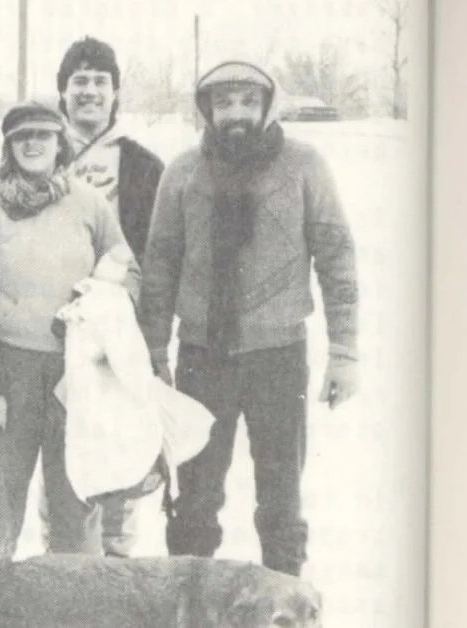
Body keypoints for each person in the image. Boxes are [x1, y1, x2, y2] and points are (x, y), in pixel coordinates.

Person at [138, 60, 359, 577]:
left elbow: (337, 258)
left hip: (278, 359)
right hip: (200, 359)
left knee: (280, 500)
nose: (235, 112)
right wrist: (152, 350)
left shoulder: (304, 166)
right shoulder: (183, 172)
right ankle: (189, 603)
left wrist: (345, 352)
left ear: (267, 105)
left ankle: (284, 603)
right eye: (222, 102)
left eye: (247, 101)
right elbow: (160, 263)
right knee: (194, 502)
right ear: (207, 110)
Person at [0, 101, 140, 598]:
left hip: (74, 372)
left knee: (75, 499)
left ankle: (75, 605)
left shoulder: (89, 203)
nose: (33, 144)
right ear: (9, 147)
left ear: (62, 143)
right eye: (21, 137)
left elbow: (127, 267)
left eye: (43, 135)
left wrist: (103, 297)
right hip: (7, 370)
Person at [41, 36, 167, 559]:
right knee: (64, 461)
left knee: (122, 453)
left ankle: (117, 569)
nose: (89, 91)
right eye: (79, 82)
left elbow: (159, 257)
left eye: (100, 82)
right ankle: (65, 570)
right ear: (63, 92)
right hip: (52, 332)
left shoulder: (142, 165)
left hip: (119, 338)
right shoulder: (38, 151)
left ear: (115, 93)